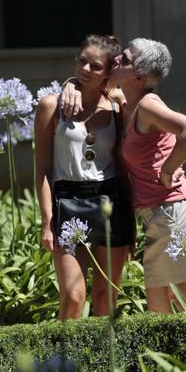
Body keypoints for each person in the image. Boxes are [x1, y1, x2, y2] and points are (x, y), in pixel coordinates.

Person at [62, 37, 186, 313]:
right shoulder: (126, 103)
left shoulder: (148, 105)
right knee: (158, 312)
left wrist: (168, 169)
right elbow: (91, 85)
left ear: (139, 75)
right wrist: (70, 84)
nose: (117, 59)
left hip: (175, 212)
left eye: (126, 59)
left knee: (181, 312)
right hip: (157, 217)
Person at [34, 34, 134, 320]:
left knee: (106, 298)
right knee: (74, 296)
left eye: (95, 66)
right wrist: (46, 221)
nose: (85, 70)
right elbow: (42, 168)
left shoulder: (117, 107)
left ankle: (103, 364)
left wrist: (133, 225)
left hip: (111, 201)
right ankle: (63, 363)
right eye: (82, 62)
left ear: (108, 72)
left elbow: (123, 167)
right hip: (67, 200)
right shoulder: (51, 106)